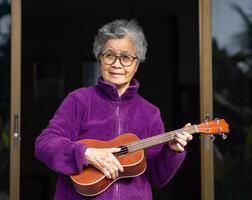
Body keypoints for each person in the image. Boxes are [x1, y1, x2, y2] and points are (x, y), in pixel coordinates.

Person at [35, 19, 193, 200]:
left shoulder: (150, 113)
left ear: (136, 65)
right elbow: (44, 144)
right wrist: (85, 154)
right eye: (109, 55)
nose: (116, 64)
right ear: (100, 59)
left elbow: (157, 178)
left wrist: (172, 151)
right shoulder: (79, 100)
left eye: (126, 57)